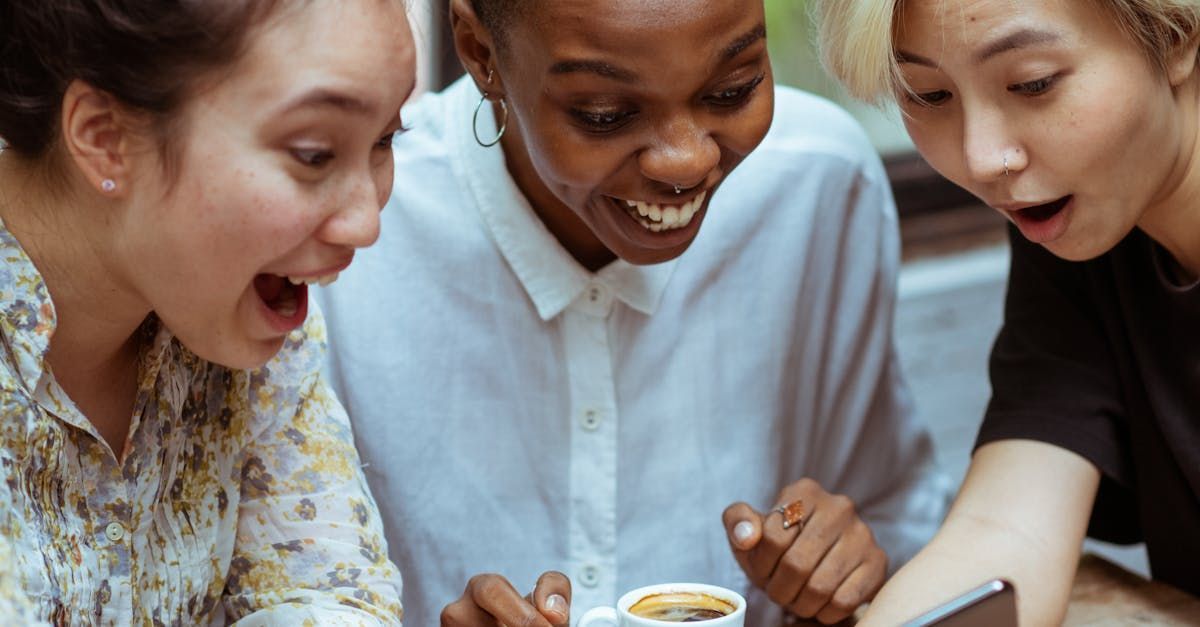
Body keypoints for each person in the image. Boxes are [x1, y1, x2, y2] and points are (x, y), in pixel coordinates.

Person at [316, 0, 951, 625]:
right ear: (481, 53)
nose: (687, 159)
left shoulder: (817, 185)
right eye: (605, 114)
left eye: (733, 90)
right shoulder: (351, 236)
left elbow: (900, 525)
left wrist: (842, 578)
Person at [0, 1, 416, 623]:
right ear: (104, 137)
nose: (366, 223)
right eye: (313, 153)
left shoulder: (238, 308)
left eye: (384, 139)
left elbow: (332, 599)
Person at [816, 0, 1200, 624]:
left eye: (1034, 84)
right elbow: (1007, 531)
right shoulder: (1082, 226)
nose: (982, 157)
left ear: (1177, 37)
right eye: (930, 95)